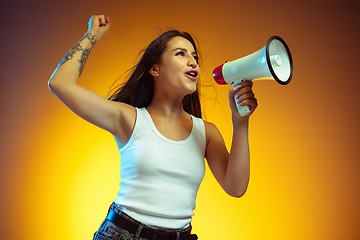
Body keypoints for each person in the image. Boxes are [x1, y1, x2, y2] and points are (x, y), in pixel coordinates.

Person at [48, 15, 257, 240]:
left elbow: (236, 188)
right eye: (181, 54)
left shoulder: (206, 133)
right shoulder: (129, 119)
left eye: (195, 57)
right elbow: (60, 83)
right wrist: (93, 35)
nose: (193, 62)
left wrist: (241, 122)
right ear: (155, 69)